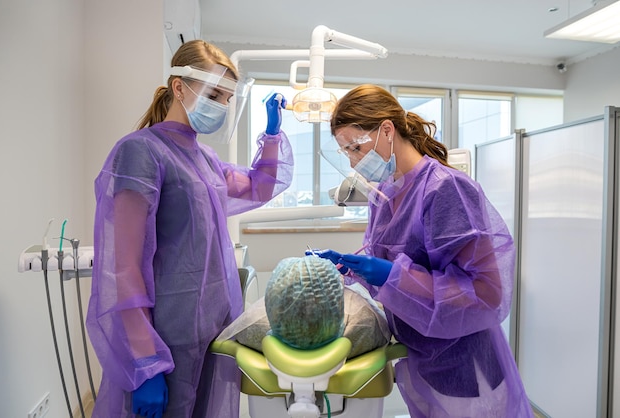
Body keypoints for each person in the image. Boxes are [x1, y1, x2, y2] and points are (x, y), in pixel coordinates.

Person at [86, 40, 293, 418]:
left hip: (213, 330)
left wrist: (273, 135)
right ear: (179, 87)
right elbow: (123, 266)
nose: (222, 107)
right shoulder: (140, 152)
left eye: (228, 98)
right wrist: (146, 361)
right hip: (165, 338)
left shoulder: (206, 158)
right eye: (215, 94)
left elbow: (257, 187)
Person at [311, 84, 533, 417]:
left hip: (465, 365)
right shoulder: (384, 193)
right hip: (420, 358)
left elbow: (488, 292)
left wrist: (394, 276)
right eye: (347, 153)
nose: (355, 163)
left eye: (357, 147)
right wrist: (352, 268)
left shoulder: (446, 188)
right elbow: (392, 269)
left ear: (387, 130)